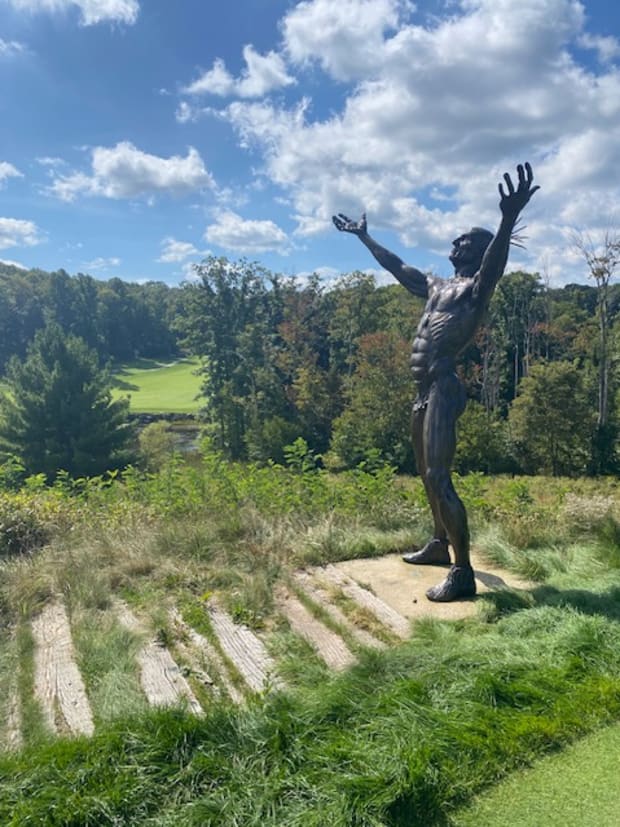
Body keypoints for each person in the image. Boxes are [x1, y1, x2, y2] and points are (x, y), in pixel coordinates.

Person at [333, 162, 539, 601]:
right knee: (426, 475)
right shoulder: (435, 286)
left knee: (439, 475)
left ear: (477, 249)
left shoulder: (476, 288)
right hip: (421, 392)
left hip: (444, 387)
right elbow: (396, 265)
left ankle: (462, 572)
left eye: (462, 240)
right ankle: (439, 544)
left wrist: (507, 219)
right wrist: (364, 237)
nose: (453, 244)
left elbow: (495, 264)